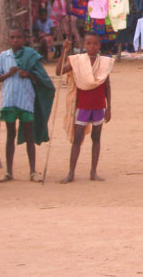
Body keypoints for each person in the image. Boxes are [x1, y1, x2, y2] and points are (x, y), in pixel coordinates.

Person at [0, 28, 55, 183]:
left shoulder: (31, 56)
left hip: (26, 101)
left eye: (19, 37)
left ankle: (33, 171)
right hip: (9, 101)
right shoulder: (4, 56)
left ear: (24, 39)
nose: (15, 40)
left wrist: (28, 75)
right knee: (10, 135)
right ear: (8, 39)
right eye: (12, 37)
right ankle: (8, 171)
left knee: (29, 135)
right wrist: (9, 73)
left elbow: (42, 79)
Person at [56, 33, 114, 183]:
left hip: (99, 106)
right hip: (82, 106)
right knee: (77, 139)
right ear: (84, 45)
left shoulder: (103, 63)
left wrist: (108, 108)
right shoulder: (78, 61)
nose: (92, 47)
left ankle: (93, 172)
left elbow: (107, 86)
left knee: (96, 138)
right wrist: (63, 51)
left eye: (95, 44)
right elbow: (59, 71)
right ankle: (71, 173)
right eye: (89, 43)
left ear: (99, 46)